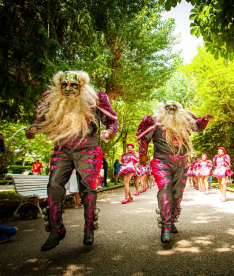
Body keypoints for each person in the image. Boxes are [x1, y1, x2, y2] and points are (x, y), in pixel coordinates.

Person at [26, 71, 119, 251]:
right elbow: (40, 122)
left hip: (88, 149)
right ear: (59, 86)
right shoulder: (51, 100)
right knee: (54, 185)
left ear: (81, 86)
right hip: (62, 149)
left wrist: (109, 132)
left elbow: (112, 121)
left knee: (88, 188)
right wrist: (32, 130)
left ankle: (89, 228)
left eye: (73, 85)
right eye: (64, 85)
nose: (69, 89)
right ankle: (56, 228)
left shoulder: (95, 97)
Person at [136, 100, 211, 243]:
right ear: (163, 109)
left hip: (181, 164)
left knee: (177, 195)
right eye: (168, 107)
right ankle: (165, 226)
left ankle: (171, 220)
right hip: (161, 163)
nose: (171, 109)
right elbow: (143, 138)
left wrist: (205, 119)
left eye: (174, 107)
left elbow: (198, 126)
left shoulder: (185, 122)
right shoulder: (154, 121)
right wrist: (143, 154)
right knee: (165, 190)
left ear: (179, 110)